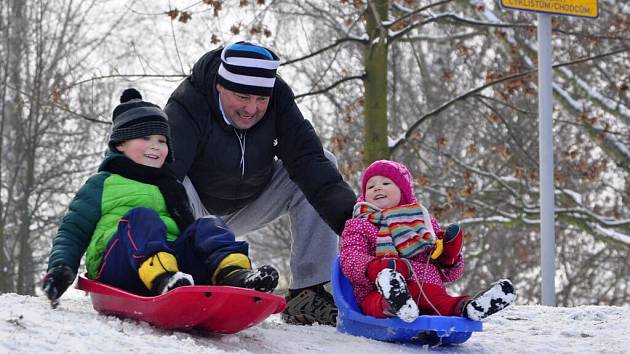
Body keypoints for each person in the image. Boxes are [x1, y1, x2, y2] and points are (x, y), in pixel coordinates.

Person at [163, 41, 357, 326]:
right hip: (195, 211)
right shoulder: (188, 103)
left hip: (252, 202)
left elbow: (310, 163)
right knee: (171, 180)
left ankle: (308, 291)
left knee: (322, 161)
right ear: (220, 85)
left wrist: (358, 229)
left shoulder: (279, 99)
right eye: (242, 96)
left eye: (260, 99)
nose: (251, 109)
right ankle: (171, 269)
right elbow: (165, 176)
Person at [42, 89, 279, 308]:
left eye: (162, 141)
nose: (155, 147)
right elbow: (73, 231)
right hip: (117, 264)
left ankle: (234, 275)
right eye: (144, 138)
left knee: (208, 224)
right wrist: (61, 269)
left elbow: (191, 232)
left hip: (176, 268)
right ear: (121, 144)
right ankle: (164, 279)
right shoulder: (102, 183)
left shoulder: (171, 186)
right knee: (143, 217)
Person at [340, 160, 516, 322]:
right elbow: (350, 258)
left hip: (427, 289)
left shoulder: (423, 223)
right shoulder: (360, 224)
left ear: (404, 192)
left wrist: (448, 257)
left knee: (443, 302)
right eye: (370, 186)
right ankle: (395, 303)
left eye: (386, 183)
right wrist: (378, 268)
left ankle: (470, 308)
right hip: (376, 289)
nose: (377, 188)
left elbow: (448, 275)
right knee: (376, 302)